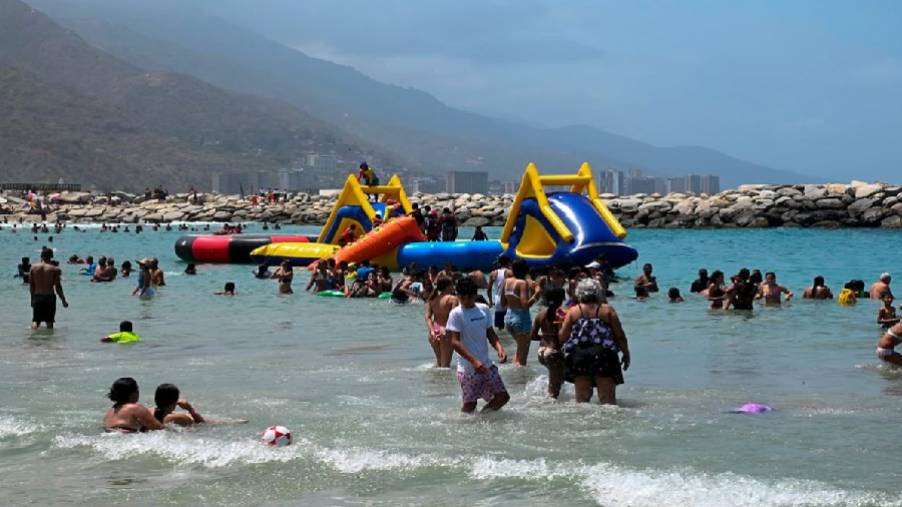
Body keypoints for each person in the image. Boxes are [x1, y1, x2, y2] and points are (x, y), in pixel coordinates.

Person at [558, 279, 631, 404]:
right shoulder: (607, 310)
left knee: (581, 400)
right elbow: (620, 336)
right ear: (598, 292)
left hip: (580, 356)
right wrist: (626, 353)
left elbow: (562, 337)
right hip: (604, 355)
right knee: (608, 401)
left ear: (579, 293)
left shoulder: (573, 311)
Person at [447, 277, 509, 413]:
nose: (465, 300)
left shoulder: (484, 309)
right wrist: (474, 361)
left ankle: (482, 418)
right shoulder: (456, 314)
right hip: (468, 369)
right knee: (470, 405)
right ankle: (465, 426)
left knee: (503, 397)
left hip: (486, 365)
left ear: (475, 295)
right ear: (457, 295)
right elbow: (454, 342)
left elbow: (490, 333)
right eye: (462, 297)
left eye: (469, 297)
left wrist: (499, 348)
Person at [502, 259, 540, 366]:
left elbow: (502, 302)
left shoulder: (506, 281)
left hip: (509, 318)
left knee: (520, 351)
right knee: (522, 356)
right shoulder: (522, 283)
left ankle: (515, 379)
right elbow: (525, 305)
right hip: (521, 319)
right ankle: (520, 380)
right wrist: (537, 294)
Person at [531, 288, 567, 399]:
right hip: (554, 352)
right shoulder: (561, 314)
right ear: (561, 299)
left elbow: (533, 336)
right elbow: (562, 336)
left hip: (541, 352)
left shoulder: (540, 315)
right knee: (554, 392)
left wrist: (545, 336)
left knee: (557, 380)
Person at [29, 248, 68, 329]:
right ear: (52, 256)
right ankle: (49, 341)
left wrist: (32, 299)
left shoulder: (33, 268)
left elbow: (31, 286)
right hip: (49, 297)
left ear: (41, 256)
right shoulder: (54, 269)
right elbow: (58, 287)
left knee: (36, 321)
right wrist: (63, 300)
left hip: (38, 296)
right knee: (49, 322)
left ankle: (32, 338)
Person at [425, 277, 458, 368]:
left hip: (434, 332)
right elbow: (453, 317)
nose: (453, 286)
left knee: (439, 363)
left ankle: (437, 382)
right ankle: (444, 382)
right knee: (445, 366)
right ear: (447, 287)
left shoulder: (431, 300)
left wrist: (432, 331)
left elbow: (427, 318)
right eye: (452, 284)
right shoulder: (453, 299)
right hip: (446, 331)